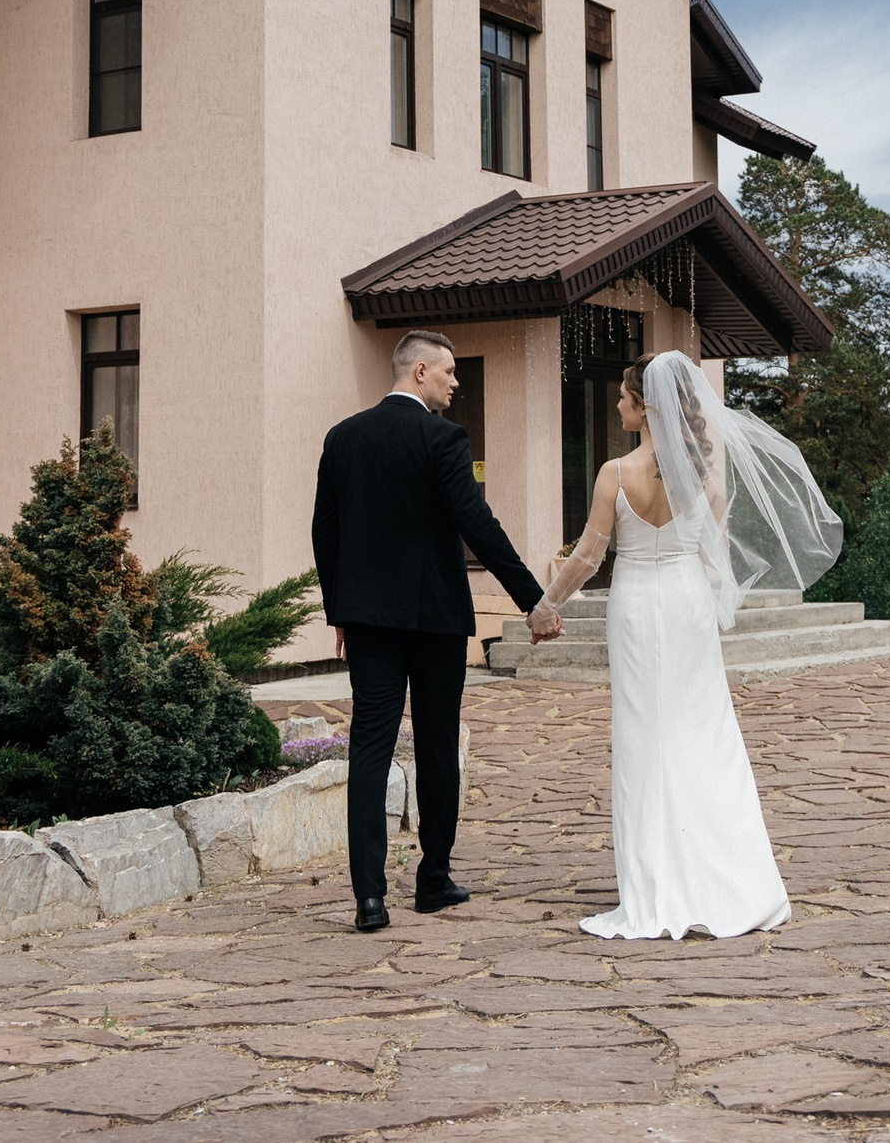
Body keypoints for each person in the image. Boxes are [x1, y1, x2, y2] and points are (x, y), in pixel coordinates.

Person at [528, 350, 842, 938]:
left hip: (636, 606)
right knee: (703, 732)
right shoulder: (704, 474)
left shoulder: (614, 474)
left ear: (645, 408)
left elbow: (589, 557)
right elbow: (712, 557)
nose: (619, 405)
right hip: (687, 606)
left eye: (624, 397)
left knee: (643, 734)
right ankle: (728, 876)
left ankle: (653, 883)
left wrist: (545, 608)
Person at [312, 329, 552, 933]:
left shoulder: (343, 438)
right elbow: (478, 522)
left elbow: (326, 532)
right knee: (438, 742)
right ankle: (432, 879)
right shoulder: (442, 438)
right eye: (447, 372)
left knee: (369, 747)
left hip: (366, 618)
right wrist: (532, 599)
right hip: (436, 618)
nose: (455, 381)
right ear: (419, 371)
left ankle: (369, 898)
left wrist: (339, 610)